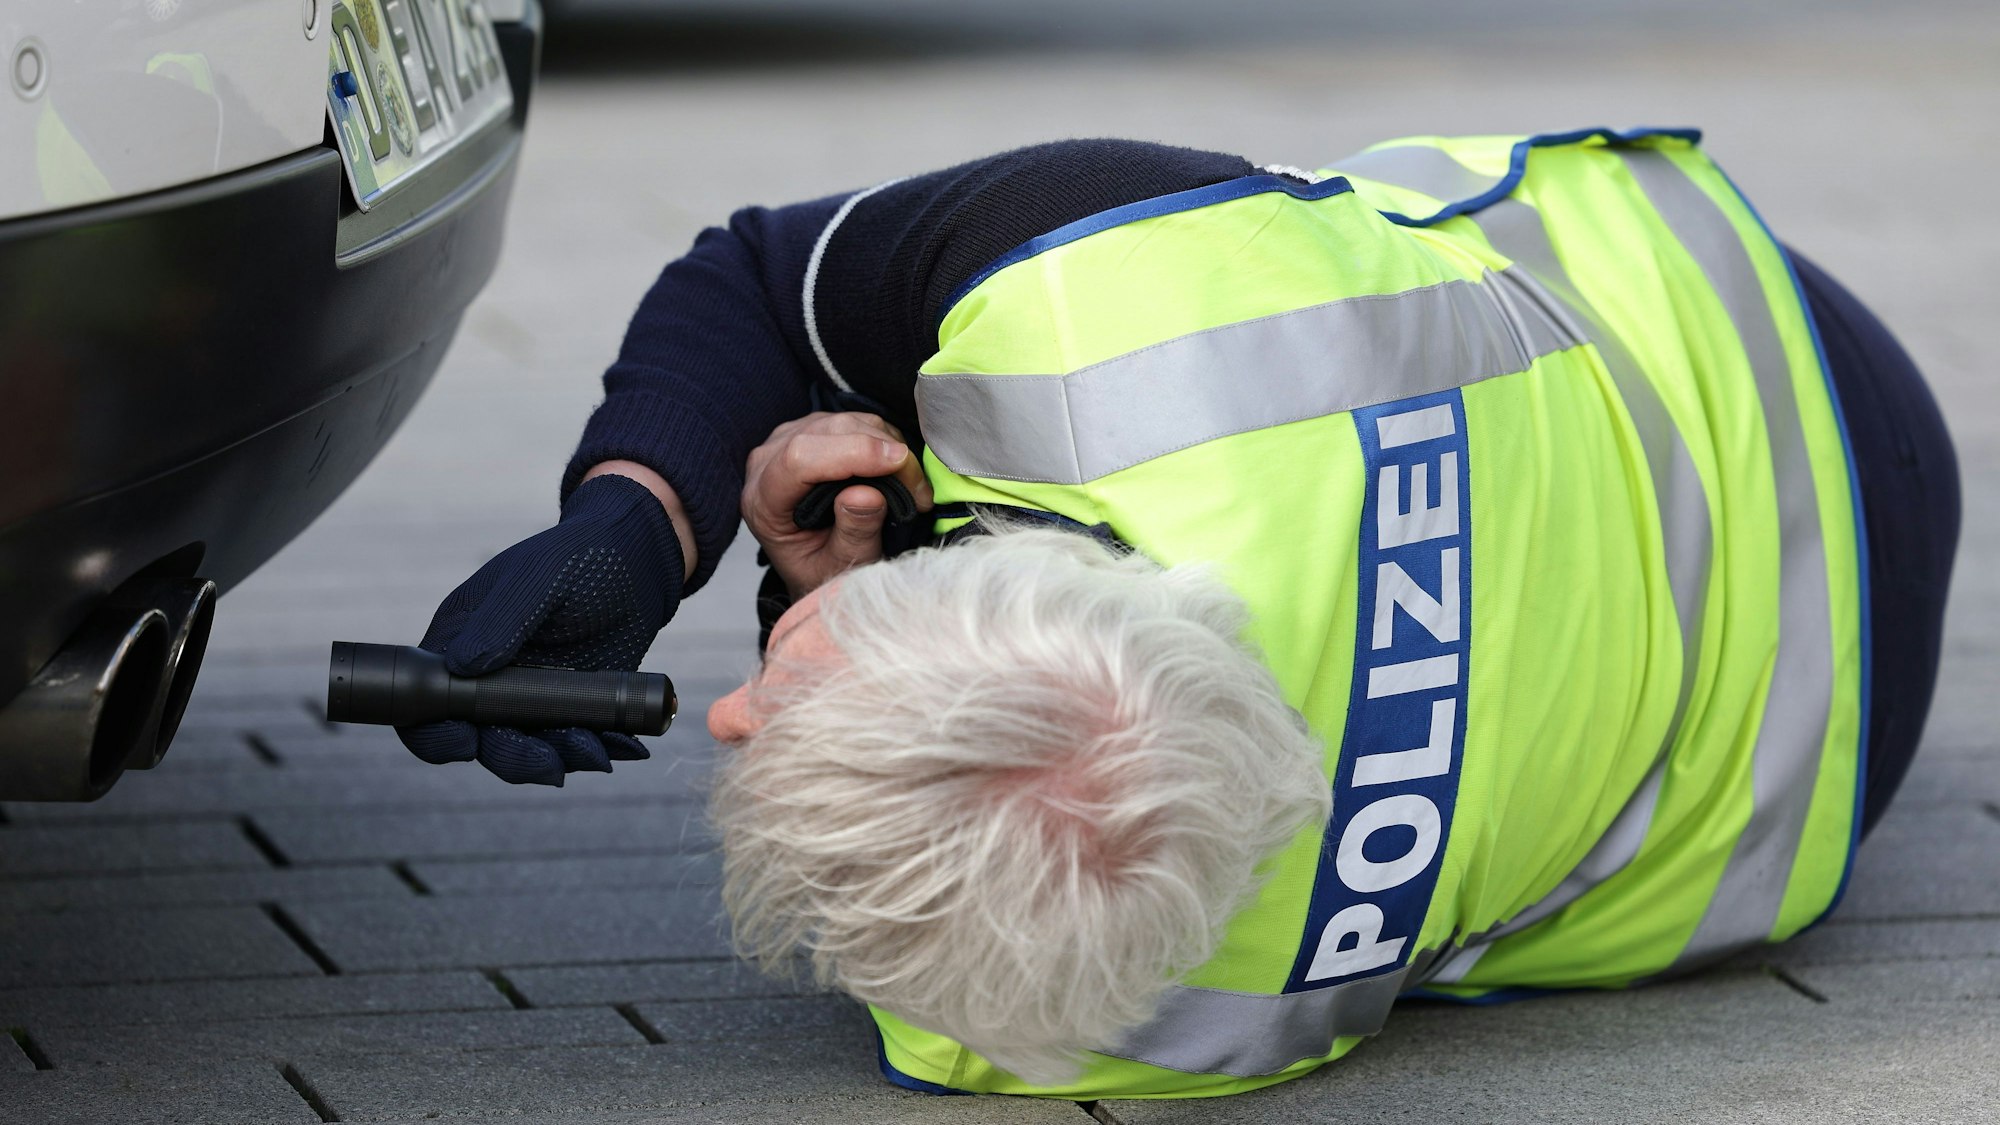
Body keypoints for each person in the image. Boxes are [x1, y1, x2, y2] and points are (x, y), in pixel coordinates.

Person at [395, 131, 1960, 1098]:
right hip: (1738, 322)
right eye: (777, 698)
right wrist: (637, 522)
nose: (730, 714)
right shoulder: (1130, 304)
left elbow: (755, 286)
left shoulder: (1067, 1016)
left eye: (756, 706)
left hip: (1820, 760)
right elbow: (757, 275)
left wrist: (753, 567)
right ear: (984, 557)